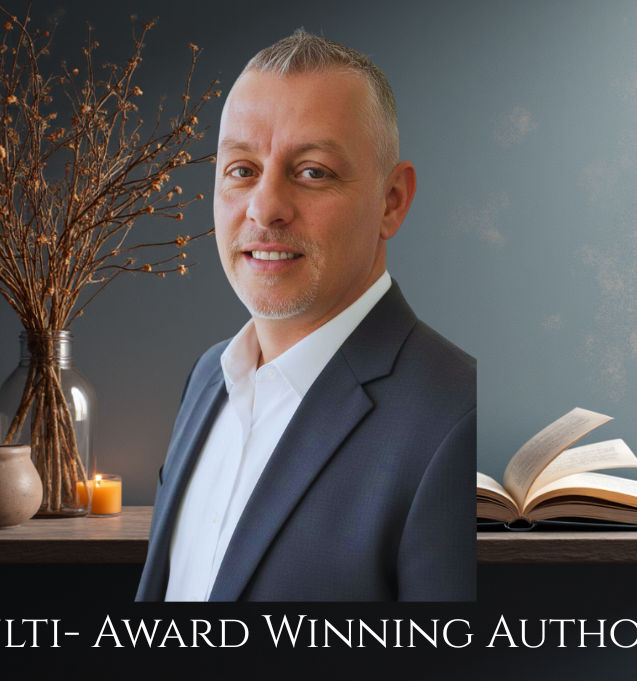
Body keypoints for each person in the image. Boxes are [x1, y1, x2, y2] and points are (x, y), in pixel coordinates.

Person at [135, 30, 476, 602]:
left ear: (392, 200)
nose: (265, 207)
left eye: (313, 172)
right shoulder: (206, 380)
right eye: (241, 170)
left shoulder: (457, 420)